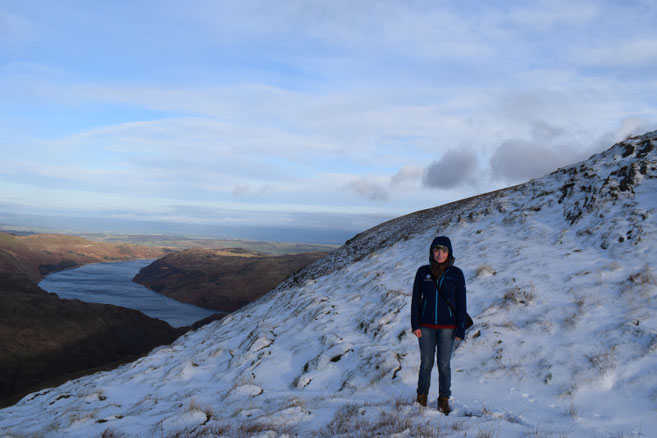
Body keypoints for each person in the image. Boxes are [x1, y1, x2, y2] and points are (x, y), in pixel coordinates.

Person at [410, 236, 467, 415]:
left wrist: (461, 327)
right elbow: (415, 300)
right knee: (426, 363)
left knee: (444, 364)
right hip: (425, 326)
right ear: (431, 252)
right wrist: (415, 324)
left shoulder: (456, 273)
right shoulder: (422, 272)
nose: (440, 253)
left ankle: (443, 400)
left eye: (443, 250)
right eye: (436, 249)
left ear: (449, 253)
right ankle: (422, 398)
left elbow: (461, 302)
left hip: (447, 328)